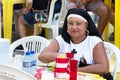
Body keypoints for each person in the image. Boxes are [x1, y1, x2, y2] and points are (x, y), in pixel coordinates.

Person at [38, 8, 113, 80]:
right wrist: (62, 56)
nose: (74, 27)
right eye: (70, 23)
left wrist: (76, 70)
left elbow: (104, 68)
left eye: (78, 23)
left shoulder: (94, 41)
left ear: (86, 26)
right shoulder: (61, 39)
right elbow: (42, 56)